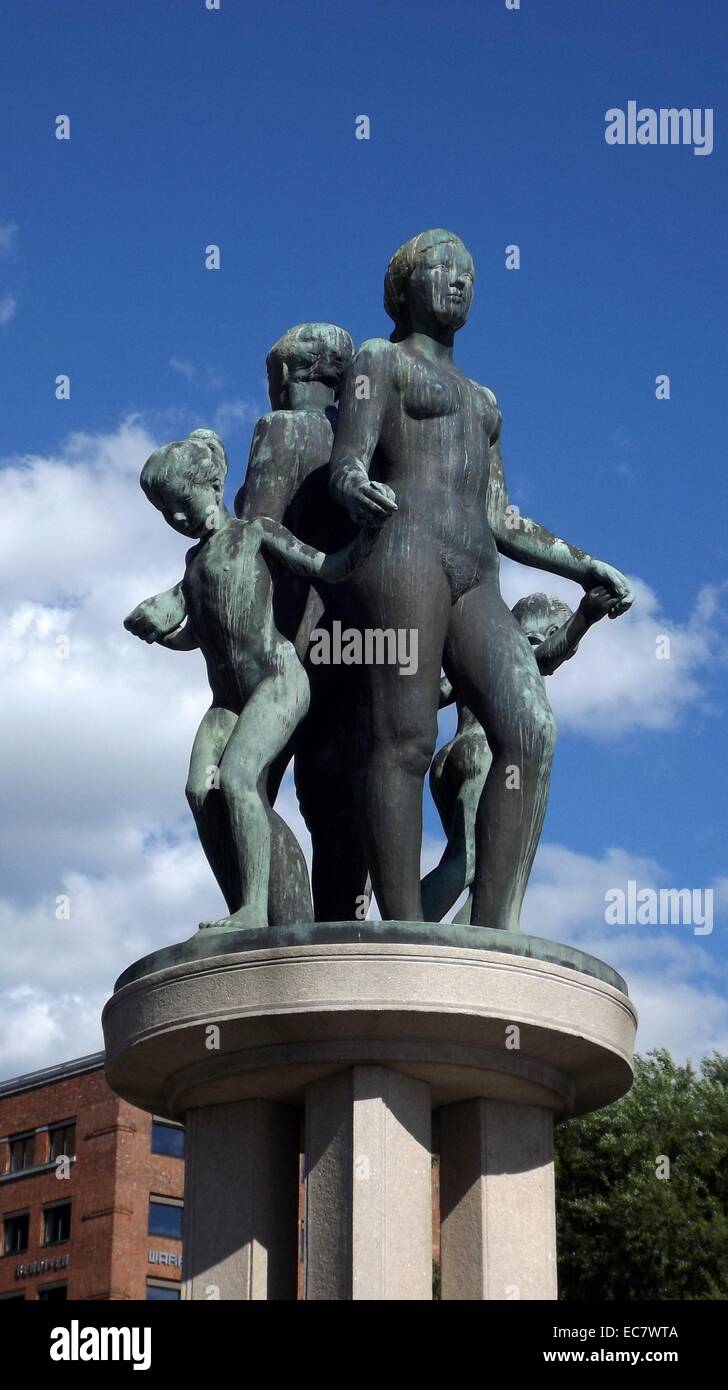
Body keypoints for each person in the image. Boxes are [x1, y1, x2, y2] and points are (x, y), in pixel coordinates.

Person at [329, 228, 634, 929]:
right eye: (442, 267)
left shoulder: (485, 401)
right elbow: (349, 459)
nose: (459, 279)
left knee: (530, 729)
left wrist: (584, 562)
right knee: (405, 738)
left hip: (474, 571)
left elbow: (501, 516)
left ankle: (495, 931)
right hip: (403, 553)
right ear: (404, 286)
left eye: (468, 271)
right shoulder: (381, 360)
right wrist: (350, 485)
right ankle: (404, 928)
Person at [124, 428, 392, 930]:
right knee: (200, 790)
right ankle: (245, 906)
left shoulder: (255, 532)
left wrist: (370, 530)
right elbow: (199, 637)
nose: (179, 519)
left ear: (214, 482)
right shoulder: (192, 564)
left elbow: (328, 567)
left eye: (184, 502)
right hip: (226, 701)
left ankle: (251, 910)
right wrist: (159, 633)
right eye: (167, 514)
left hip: (277, 681)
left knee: (238, 776)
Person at [421, 586, 619, 923]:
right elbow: (542, 657)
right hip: (487, 756)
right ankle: (408, 926)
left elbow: (438, 692)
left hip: (451, 757)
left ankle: (474, 942)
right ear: (548, 631)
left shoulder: (477, 654)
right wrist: (584, 617)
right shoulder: (517, 653)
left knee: (485, 865)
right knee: (467, 858)